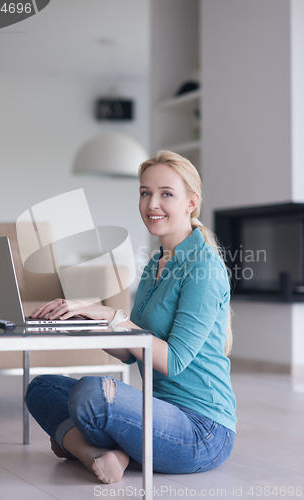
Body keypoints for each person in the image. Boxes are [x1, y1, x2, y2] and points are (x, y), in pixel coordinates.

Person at [25, 150, 236, 484]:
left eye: (166, 194)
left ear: (191, 203)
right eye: (145, 193)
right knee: (41, 387)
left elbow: (172, 360)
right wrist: (85, 321)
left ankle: (88, 445)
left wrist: (113, 314)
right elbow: (129, 352)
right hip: (153, 408)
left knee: (92, 394)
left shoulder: (203, 267)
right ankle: (99, 453)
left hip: (201, 430)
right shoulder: (156, 262)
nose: (152, 204)